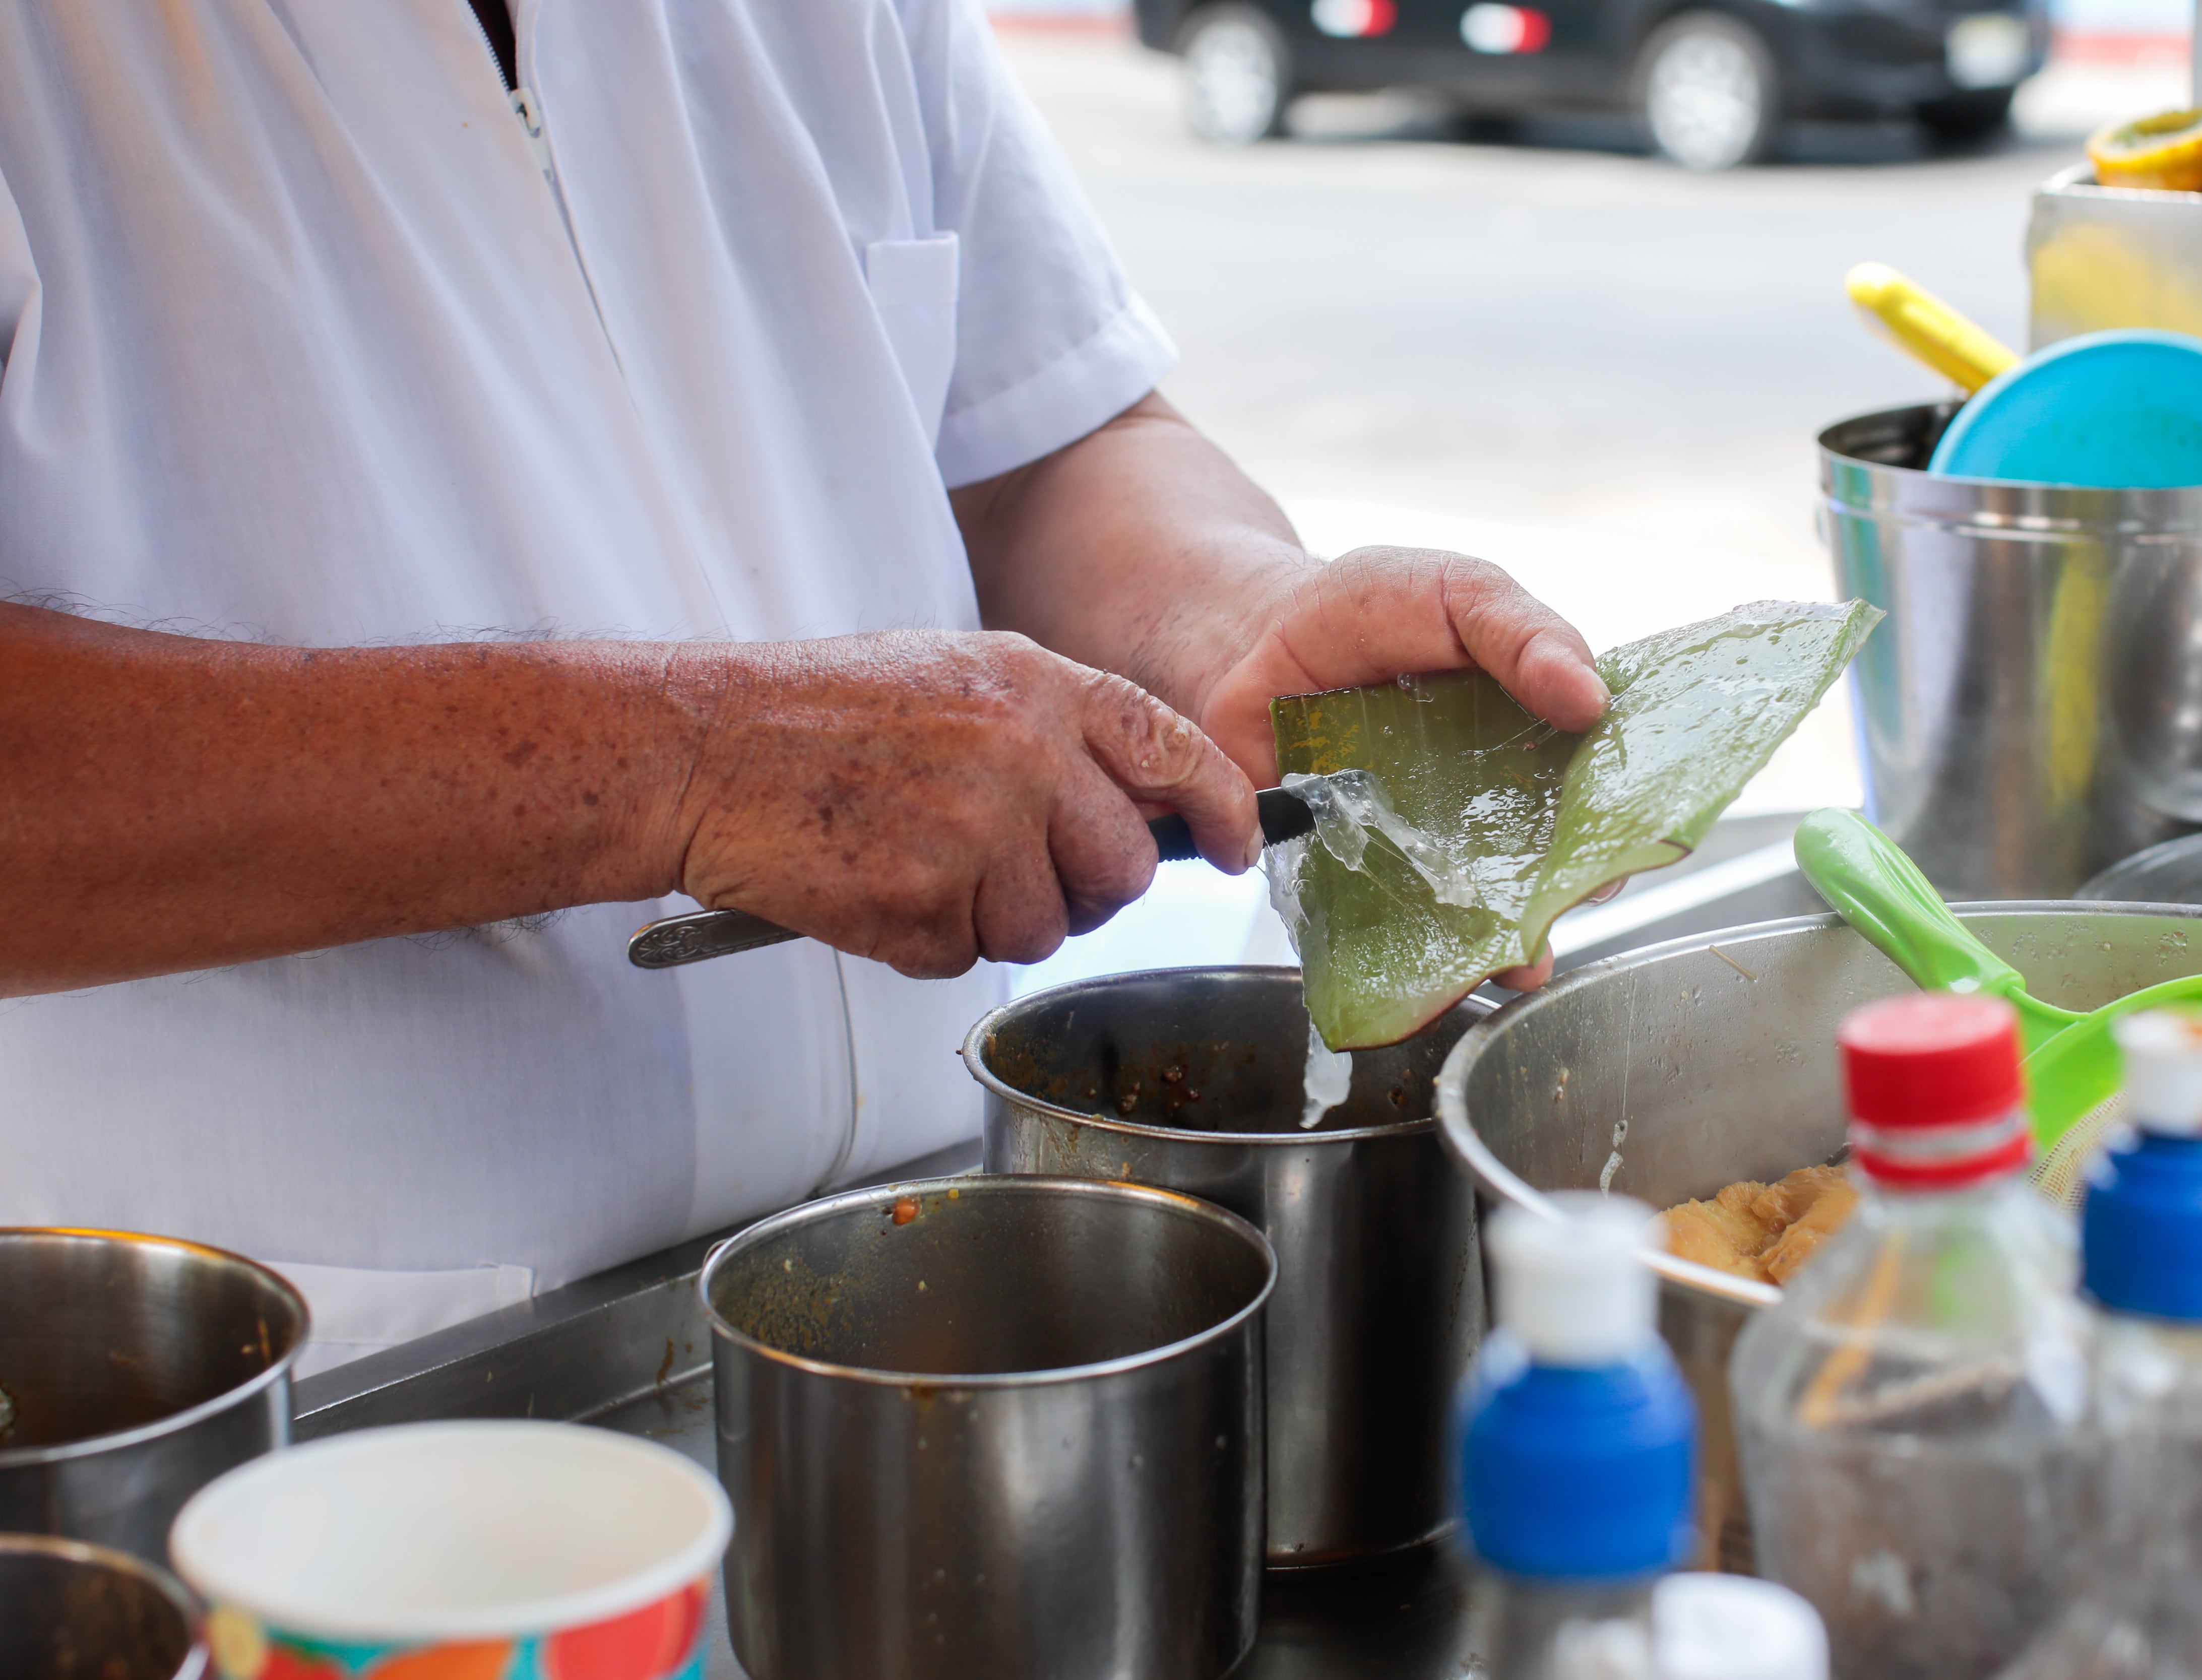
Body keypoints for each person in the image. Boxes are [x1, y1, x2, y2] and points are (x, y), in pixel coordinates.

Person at [0, 1, 1603, 1371]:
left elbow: (1046, 437)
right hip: (280, 1414)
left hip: (923, 1292)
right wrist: (688, 762)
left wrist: (1231, 624)